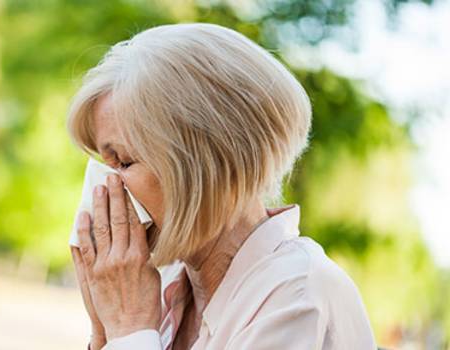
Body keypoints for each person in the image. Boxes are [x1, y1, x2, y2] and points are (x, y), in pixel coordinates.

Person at [66, 23, 376, 349]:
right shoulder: (167, 288)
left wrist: (129, 329)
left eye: (124, 163)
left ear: (204, 163)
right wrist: (104, 335)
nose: (106, 186)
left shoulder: (298, 296)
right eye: (106, 164)